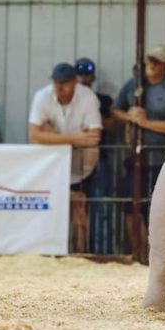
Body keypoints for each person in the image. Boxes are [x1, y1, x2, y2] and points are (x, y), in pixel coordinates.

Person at [112, 44, 165, 256]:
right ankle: (137, 252)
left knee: (158, 211)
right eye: (149, 60)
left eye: (157, 61)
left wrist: (146, 123)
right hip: (135, 157)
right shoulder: (133, 86)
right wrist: (129, 117)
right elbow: (115, 110)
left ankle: (157, 254)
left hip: (162, 159)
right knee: (131, 207)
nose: (152, 65)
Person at [28, 62, 102, 252]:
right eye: (56, 82)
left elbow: (93, 138)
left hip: (83, 168)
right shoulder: (43, 96)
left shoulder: (88, 97)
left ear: (74, 82)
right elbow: (34, 135)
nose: (59, 87)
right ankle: (51, 251)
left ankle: (81, 252)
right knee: (52, 212)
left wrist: (51, 135)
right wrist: (76, 138)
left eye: (64, 83)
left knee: (81, 214)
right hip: (52, 168)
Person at [75, 57, 117, 255]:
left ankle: (102, 252)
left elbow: (111, 125)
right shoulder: (70, 100)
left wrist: (94, 119)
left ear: (93, 77)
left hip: (100, 156)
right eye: (80, 74)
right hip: (74, 158)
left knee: (101, 206)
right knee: (74, 208)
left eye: (87, 74)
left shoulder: (102, 99)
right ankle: (76, 250)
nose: (84, 78)